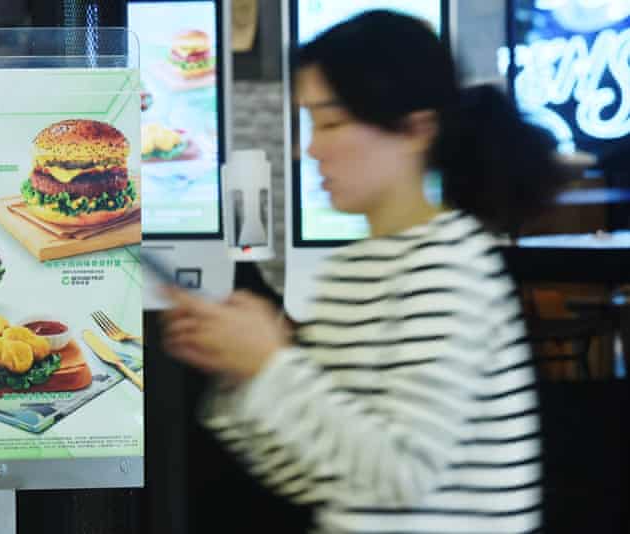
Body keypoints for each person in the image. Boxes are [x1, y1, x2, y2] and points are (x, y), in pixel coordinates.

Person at [161, 10, 569, 534]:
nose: (307, 148)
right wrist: (238, 372)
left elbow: (402, 476)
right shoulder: (351, 269)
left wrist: (269, 365)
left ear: (416, 129)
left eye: (330, 122)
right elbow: (318, 477)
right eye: (309, 122)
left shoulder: (449, 265)